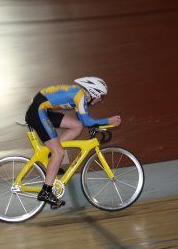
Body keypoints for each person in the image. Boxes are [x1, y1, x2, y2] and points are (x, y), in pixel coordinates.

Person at [25, 77, 121, 209]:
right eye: (101, 96)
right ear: (94, 93)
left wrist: (99, 123)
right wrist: (108, 120)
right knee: (58, 152)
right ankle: (46, 191)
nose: (100, 100)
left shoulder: (80, 97)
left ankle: (52, 157)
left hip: (41, 109)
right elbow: (88, 122)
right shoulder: (80, 96)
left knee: (77, 126)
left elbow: (83, 122)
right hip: (38, 111)